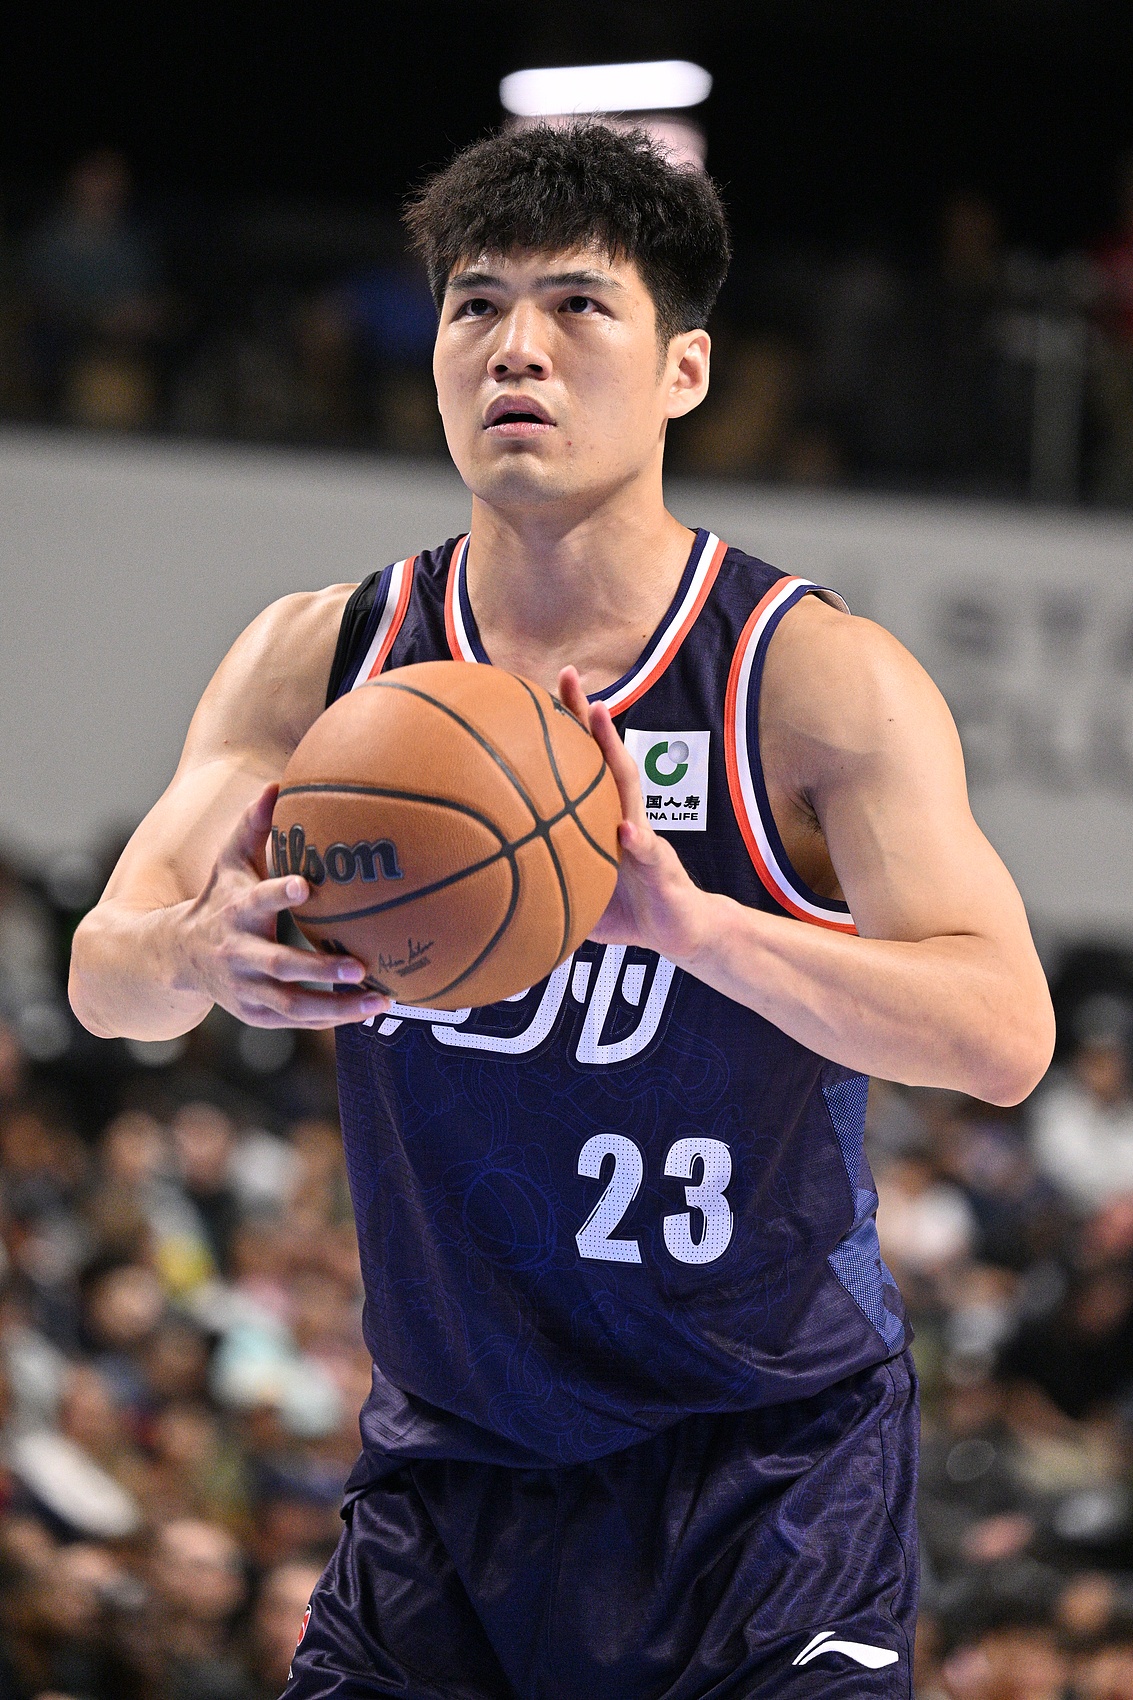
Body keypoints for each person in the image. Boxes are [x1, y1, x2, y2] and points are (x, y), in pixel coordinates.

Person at [69, 124, 1054, 1698]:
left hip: (765, 1471)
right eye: (474, 305)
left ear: (684, 369)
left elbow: (1001, 1034)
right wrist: (197, 954)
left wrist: (695, 928)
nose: (514, 348)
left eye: (577, 306)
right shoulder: (323, 656)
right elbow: (104, 978)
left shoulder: (805, 676)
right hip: (454, 1465)